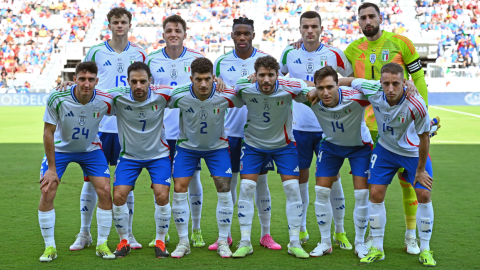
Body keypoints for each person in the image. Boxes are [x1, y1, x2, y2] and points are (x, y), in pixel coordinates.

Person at [343, 2, 429, 253]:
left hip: (405, 127)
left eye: (372, 16)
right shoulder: (352, 50)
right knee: (374, 186)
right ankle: (373, 235)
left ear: (381, 18)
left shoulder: (402, 43)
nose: (367, 21)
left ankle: (411, 235)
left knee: (409, 181)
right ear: (358, 22)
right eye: (363, 17)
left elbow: (419, 77)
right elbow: (340, 74)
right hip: (368, 128)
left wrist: (423, 112)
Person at [341, 63, 435, 266]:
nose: (390, 89)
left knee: (424, 194)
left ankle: (426, 249)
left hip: (412, 152)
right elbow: (347, 81)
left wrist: (419, 170)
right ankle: (377, 247)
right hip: (385, 150)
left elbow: (425, 138)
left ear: (404, 83)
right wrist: (319, 86)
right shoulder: (373, 89)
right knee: (375, 194)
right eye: (386, 84)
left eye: (396, 83)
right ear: (380, 83)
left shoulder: (416, 104)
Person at [73, 7, 147, 250]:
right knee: (91, 180)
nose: (119, 25)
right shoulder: (95, 51)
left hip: (128, 126)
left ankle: (129, 234)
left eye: (123, 22)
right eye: (115, 21)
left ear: (129, 24)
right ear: (109, 24)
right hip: (100, 125)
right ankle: (84, 233)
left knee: (127, 182)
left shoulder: (139, 54)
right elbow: (85, 80)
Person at [279, 11, 353, 248]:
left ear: (322, 28)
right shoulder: (289, 52)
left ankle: (339, 231)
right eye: (305, 26)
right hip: (298, 127)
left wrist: (319, 86)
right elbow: (275, 78)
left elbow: (352, 78)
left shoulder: (334, 53)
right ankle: (301, 230)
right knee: (301, 177)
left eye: (314, 26)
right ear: (299, 29)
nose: (310, 30)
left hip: (328, 128)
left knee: (332, 177)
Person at [231, 56, 309, 259]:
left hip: (284, 146)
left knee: (292, 188)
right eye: (262, 75)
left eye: (271, 75)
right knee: (247, 187)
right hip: (253, 145)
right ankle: (245, 241)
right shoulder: (244, 87)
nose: (266, 80)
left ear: (278, 76)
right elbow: (236, 87)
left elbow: (312, 89)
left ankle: (294, 242)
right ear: (255, 75)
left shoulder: (290, 87)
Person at [212, 17, 280, 250]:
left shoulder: (263, 61)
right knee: (228, 184)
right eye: (238, 33)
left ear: (253, 35)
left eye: (246, 33)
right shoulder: (221, 61)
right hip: (229, 131)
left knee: (260, 183)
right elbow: (214, 89)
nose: (242, 37)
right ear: (232, 35)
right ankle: (227, 235)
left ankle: (266, 234)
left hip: (257, 133)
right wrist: (215, 80)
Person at [38, 62, 115, 262]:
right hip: (60, 150)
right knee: (47, 189)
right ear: (75, 80)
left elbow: (129, 95)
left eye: (91, 79)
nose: (86, 83)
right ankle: (49, 247)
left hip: (90, 149)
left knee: (106, 191)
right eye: (82, 79)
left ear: (97, 81)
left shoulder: (106, 99)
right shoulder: (58, 97)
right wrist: (52, 170)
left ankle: (102, 243)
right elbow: (48, 132)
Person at [167, 58, 243, 258]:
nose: (202, 84)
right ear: (191, 78)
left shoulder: (226, 94)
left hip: (217, 148)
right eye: (198, 79)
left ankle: (223, 241)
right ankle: (184, 241)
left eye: (207, 79)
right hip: (186, 148)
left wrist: (249, 77)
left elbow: (247, 93)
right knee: (179, 189)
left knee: (225, 190)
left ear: (213, 78)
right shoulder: (178, 95)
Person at [297, 66, 372, 258]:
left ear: (338, 85)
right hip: (331, 146)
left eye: (330, 87)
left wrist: (407, 84)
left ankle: (360, 243)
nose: (325, 92)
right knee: (321, 192)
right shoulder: (312, 98)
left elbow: (381, 88)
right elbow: (292, 85)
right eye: (320, 88)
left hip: (359, 147)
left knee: (362, 194)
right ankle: (325, 242)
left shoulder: (357, 97)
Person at [145, 15, 205, 248]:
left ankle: (197, 230)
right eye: (169, 30)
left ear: (184, 33)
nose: (173, 34)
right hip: (159, 131)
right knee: (159, 182)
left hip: (188, 131)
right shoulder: (151, 59)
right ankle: (163, 232)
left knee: (192, 180)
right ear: (163, 34)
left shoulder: (197, 58)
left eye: (177, 30)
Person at [106, 62, 173, 258]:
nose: (138, 86)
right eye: (134, 82)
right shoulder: (117, 96)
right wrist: (69, 87)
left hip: (158, 155)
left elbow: (190, 90)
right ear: (127, 81)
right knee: (118, 196)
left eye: (143, 81)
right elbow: (91, 92)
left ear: (150, 81)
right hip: (129, 156)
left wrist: (216, 82)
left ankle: (160, 241)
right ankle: (124, 240)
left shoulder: (163, 94)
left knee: (162, 195)